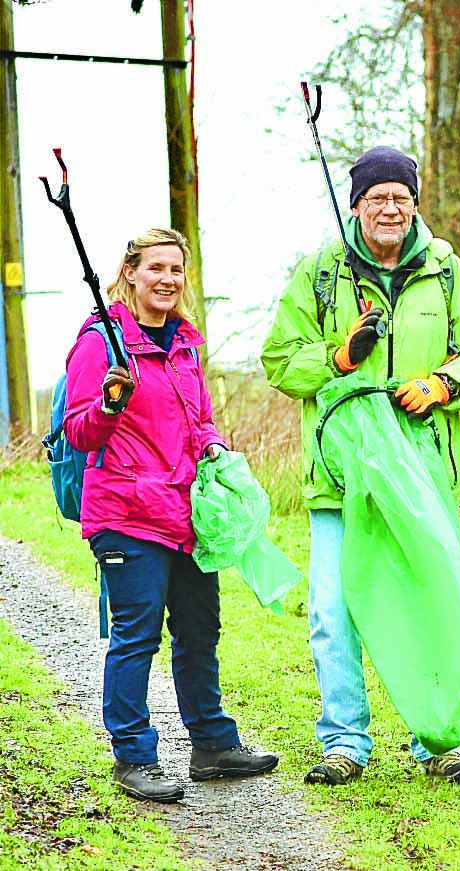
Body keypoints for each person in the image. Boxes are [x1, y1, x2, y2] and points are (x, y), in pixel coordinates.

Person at [260, 146, 460, 786]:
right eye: (376, 197)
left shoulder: (445, 269)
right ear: (357, 205)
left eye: (400, 195)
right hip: (341, 482)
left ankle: (441, 739)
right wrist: (338, 357)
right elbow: (281, 360)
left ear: (414, 202)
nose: (389, 207)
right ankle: (344, 741)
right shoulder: (320, 272)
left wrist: (444, 384)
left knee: (433, 604)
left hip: (424, 473)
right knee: (333, 610)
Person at [63, 228, 279, 803]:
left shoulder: (183, 344)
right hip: (126, 513)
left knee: (199, 629)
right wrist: (110, 402)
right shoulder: (100, 342)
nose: (167, 279)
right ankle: (134, 757)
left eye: (176, 270)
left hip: (184, 513)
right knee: (137, 636)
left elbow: (198, 417)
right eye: (155, 267)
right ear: (129, 272)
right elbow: (80, 432)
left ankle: (211, 744)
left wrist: (212, 444)